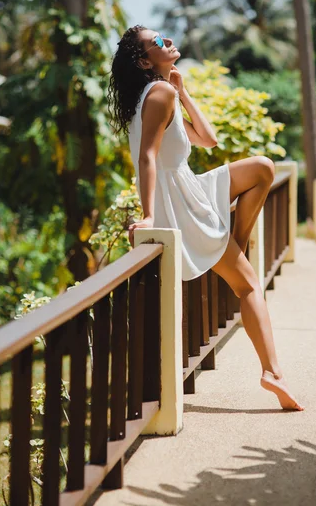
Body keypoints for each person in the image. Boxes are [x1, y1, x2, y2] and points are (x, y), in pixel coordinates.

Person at [108, 25, 303, 411]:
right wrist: (149, 216)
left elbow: (209, 139)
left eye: (164, 36)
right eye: (157, 43)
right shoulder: (158, 93)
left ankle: (236, 244)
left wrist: (184, 91)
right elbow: (147, 157)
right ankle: (272, 372)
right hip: (180, 199)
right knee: (248, 285)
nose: (167, 41)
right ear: (146, 61)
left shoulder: (164, 92)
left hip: (189, 187)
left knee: (262, 168)